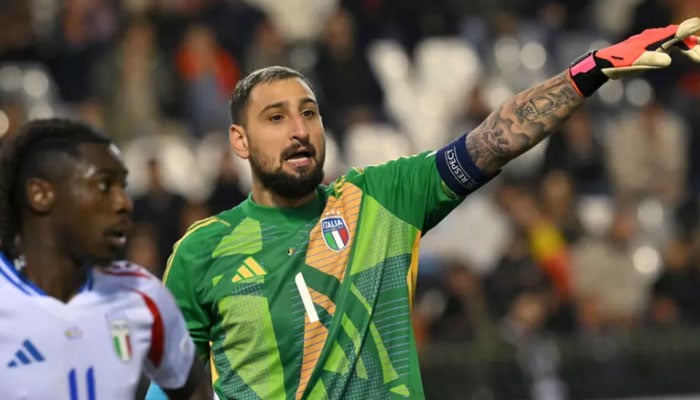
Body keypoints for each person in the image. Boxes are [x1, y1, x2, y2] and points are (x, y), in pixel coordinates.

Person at [147, 18, 700, 399]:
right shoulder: (203, 252)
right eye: (275, 118)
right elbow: (167, 385)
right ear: (239, 142)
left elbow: (496, 139)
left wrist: (590, 70)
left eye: (308, 113)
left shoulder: (380, 198)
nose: (298, 131)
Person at [0, 118, 211, 399]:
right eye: (103, 186)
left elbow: (193, 388)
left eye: (122, 186)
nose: (124, 202)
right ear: (41, 195)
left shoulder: (141, 294)